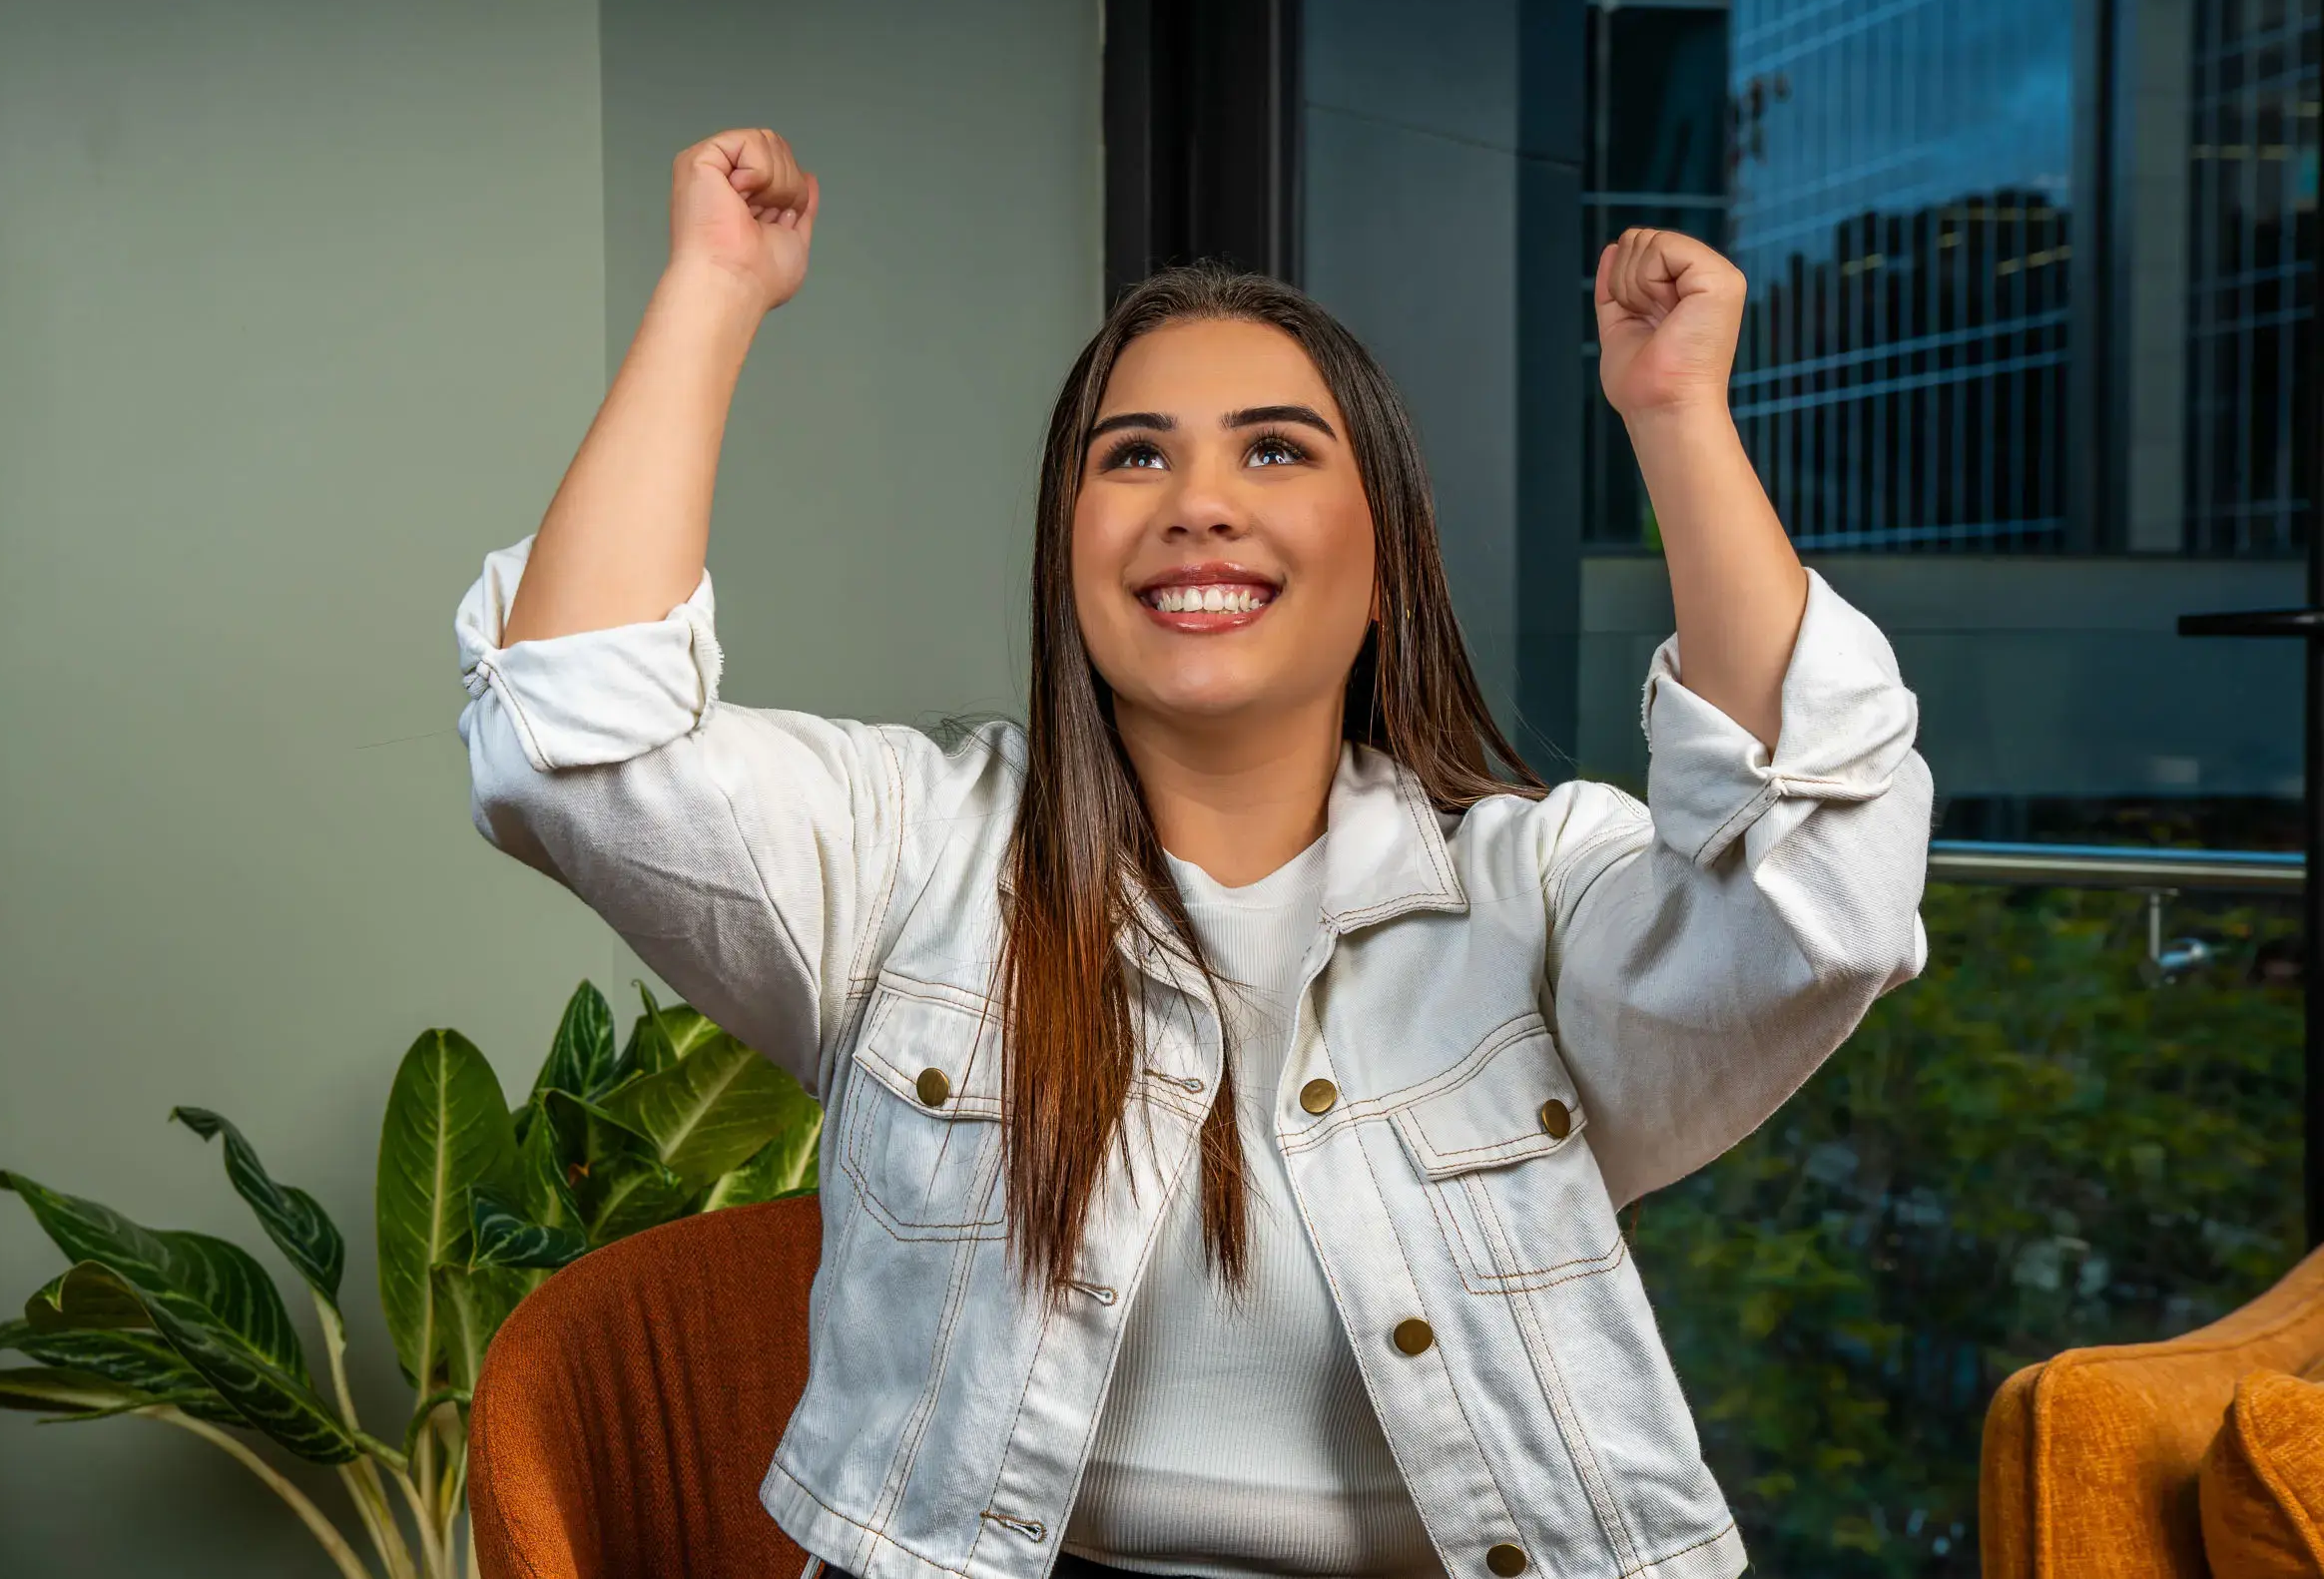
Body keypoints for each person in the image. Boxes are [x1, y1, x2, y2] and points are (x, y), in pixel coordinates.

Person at [455, 129, 1931, 1579]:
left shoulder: (1537, 891)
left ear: (1386, 562)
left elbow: (1820, 906)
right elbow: (574, 751)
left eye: (1274, 449)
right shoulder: (907, 851)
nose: (1198, 502)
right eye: (1135, 456)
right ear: (1071, 553)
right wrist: (713, 291)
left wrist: (1677, 417)